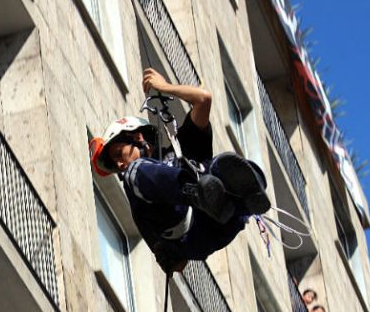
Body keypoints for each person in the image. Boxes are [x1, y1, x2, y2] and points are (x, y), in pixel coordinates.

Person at [89, 68, 270, 274]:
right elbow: (177, 264)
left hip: (220, 222)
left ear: (138, 138)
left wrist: (163, 87)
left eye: (119, 154)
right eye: (114, 163)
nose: (120, 165)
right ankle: (199, 192)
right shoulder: (137, 195)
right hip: (194, 236)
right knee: (135, 173)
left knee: (218, 165)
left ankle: (245, 197)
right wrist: (167, 257)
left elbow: (204, 99)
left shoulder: (178, 152)